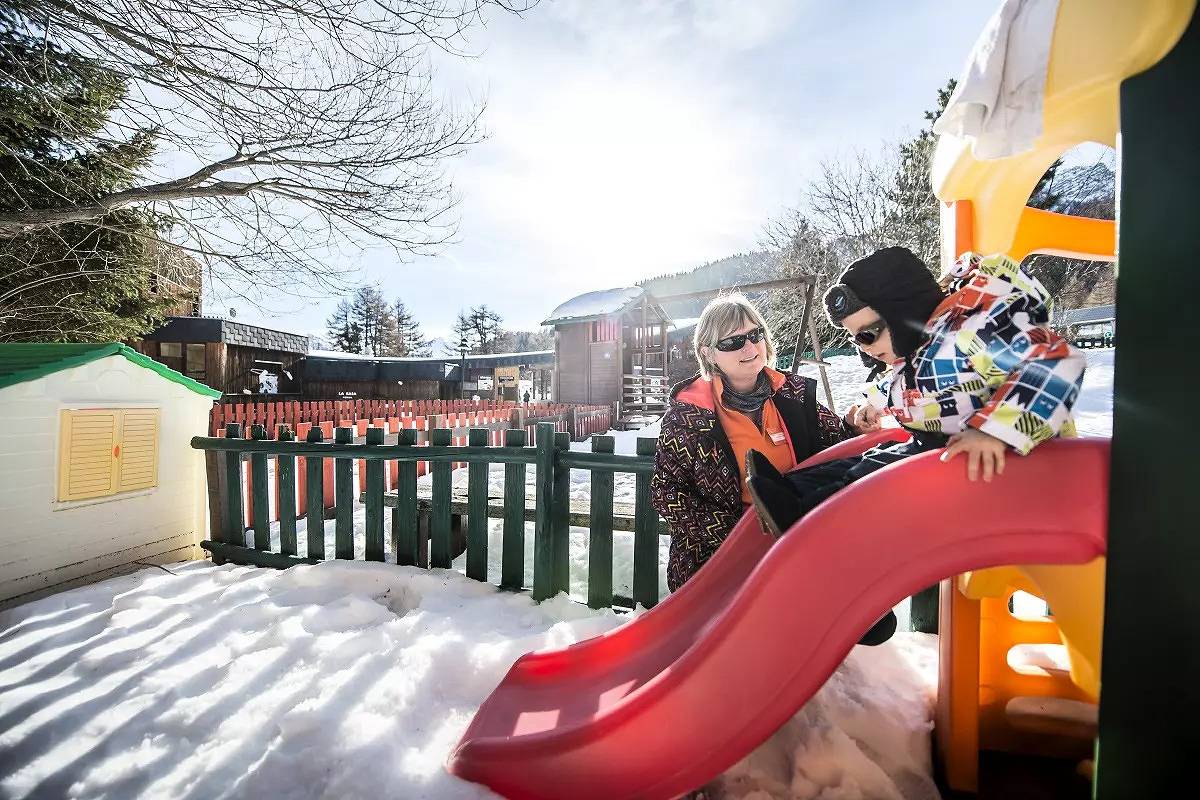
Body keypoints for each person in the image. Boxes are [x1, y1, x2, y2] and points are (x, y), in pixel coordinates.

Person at [747, 248, 1086, 541]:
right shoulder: (920, 347)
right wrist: (873, 404)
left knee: (874, 481)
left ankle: (803, 514)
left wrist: (993, 432)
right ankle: (791, 489)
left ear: (901, 312)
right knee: (868, 461)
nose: (863, 348)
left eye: (867, 335)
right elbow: (916, 385)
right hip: (938, 448)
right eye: (854, 340)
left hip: (1002, 468)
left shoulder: (976, 330)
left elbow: (1056, 363)